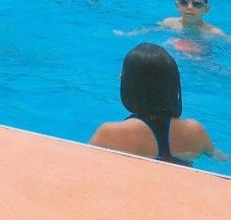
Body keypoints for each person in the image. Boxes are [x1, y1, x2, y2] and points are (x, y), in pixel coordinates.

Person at [89, 43, 226, 165]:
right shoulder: (194, 131)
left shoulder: (110, 134)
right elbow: (222, 159)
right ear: (173, 85)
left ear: (130, 84)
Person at [114, 0, 228, 40]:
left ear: (206, 9)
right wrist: (128, 34)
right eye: (184, 2)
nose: (189, 7)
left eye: (196, 4)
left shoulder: (213, 32)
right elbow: (150, 30)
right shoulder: (169, 23)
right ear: (177, 6)